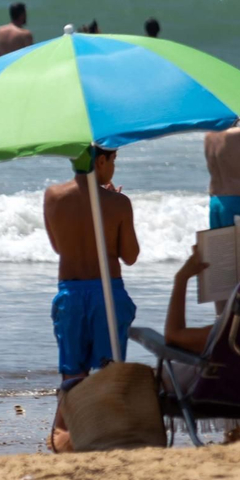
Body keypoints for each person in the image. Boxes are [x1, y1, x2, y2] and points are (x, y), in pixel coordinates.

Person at [42, 148, 140, 452]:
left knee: (73, 372)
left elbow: (59, 247)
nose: (114, 166)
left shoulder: (53, 196)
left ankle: (63, 438)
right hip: (107, 293)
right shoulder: (118, 203)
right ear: (101, 161)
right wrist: (113, 206)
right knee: (107, 371)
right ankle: (102, 435)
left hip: (70, 292)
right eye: (113, 161)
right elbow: (130, 256)